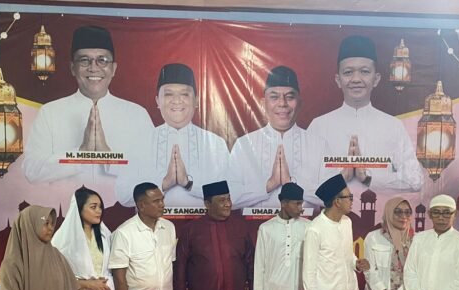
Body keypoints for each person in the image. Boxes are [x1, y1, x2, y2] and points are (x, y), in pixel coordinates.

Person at [23, 25, 154, 193]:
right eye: (84, 60)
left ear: (113, 69)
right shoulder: (50, 113)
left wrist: (107, 155)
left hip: (121, 208)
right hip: (66, 206)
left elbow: (151, 170)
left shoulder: (137, 115)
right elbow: (32, 171)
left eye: (102, 60)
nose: (93, 67)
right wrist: (81, 153)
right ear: (73, 68)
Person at [307, 35, 422, 192]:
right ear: (338, 80)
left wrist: (367, 178)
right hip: (331, 209)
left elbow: (415, 181)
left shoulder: (393, 126)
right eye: (348, 72)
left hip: (381, 208)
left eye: (364, 71)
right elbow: (304, 184)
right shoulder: (319, 126)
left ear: (376, 79)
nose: (356, 79)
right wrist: (341, 178)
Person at [117, 63, 230, 207]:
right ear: (158, 101)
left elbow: (227, 191)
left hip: (202, 221)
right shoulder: (140, 142)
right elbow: (123, 194)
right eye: (168, 94)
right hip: (154, 221)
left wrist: (188, 183)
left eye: (184, 94)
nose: (176, 101)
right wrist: (164, 183)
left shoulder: (215, 143)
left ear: (196, 101)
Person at [229, 66, 330, 208]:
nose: (282, 103)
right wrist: (269, 185)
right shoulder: (243, 145)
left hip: (306, 222)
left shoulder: (318, 145)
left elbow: (332, 198)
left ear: (299, 103)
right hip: (255, 223)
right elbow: (229, 199)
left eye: (290, 97)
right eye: (274, 97)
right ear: (263, 103)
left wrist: (291, 183)